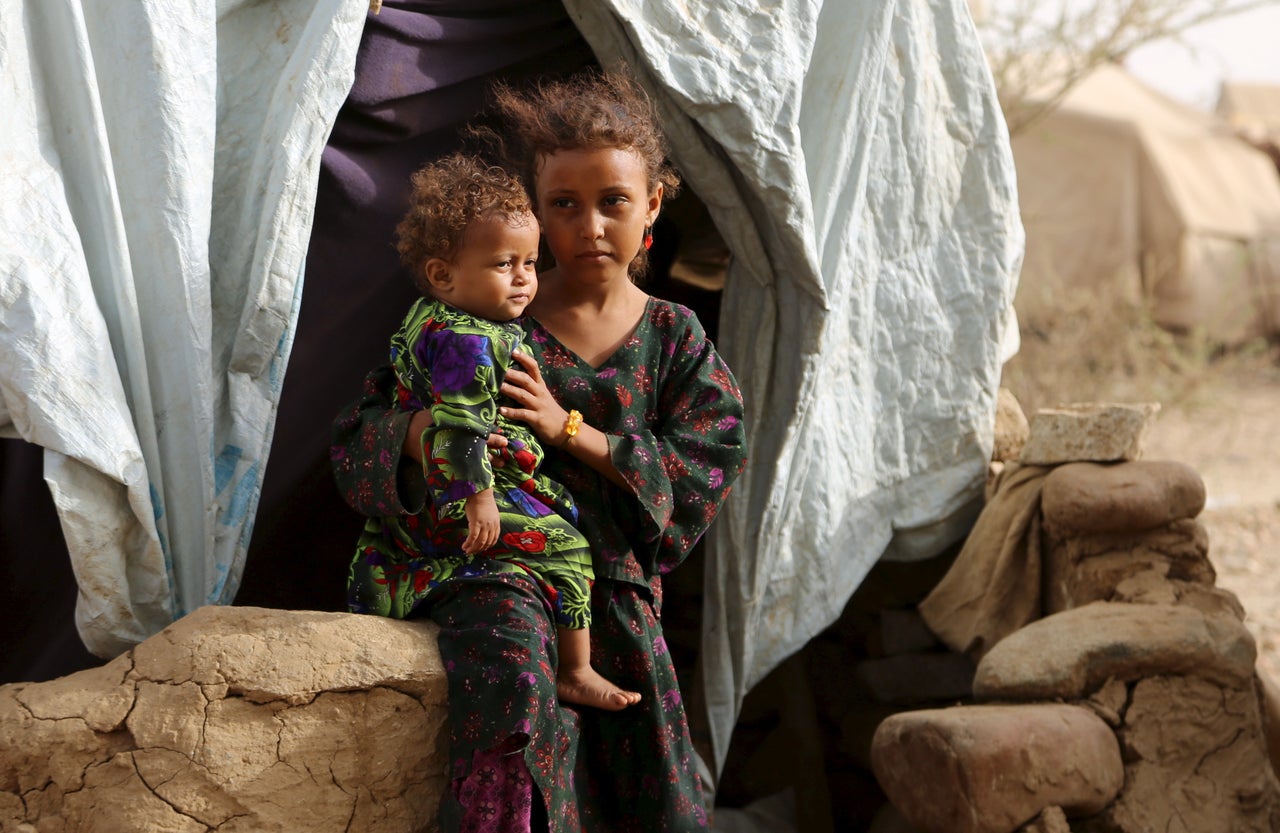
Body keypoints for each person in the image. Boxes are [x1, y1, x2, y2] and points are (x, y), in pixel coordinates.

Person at [331, 69, 747, 832]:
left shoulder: (675, 339)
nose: (590, 225)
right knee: (519, 777)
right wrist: (421, 437)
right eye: (565, 204)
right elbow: (358, 440)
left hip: (614, 615)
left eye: (613, 201)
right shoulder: (483, 314)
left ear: (652, 204)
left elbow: (706, 464)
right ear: (535, 211)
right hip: (497, 587)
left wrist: (569, 430)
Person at [349, 151, 640, 711]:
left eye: (530, 262)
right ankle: (576, 669)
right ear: (443, 274)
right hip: (466, 494)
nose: (524, 279)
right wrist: (478, 497)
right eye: (505, 264)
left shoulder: (427, 319)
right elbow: (458, 428)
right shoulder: (472, 341)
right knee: (570, 548)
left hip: (439, 497)